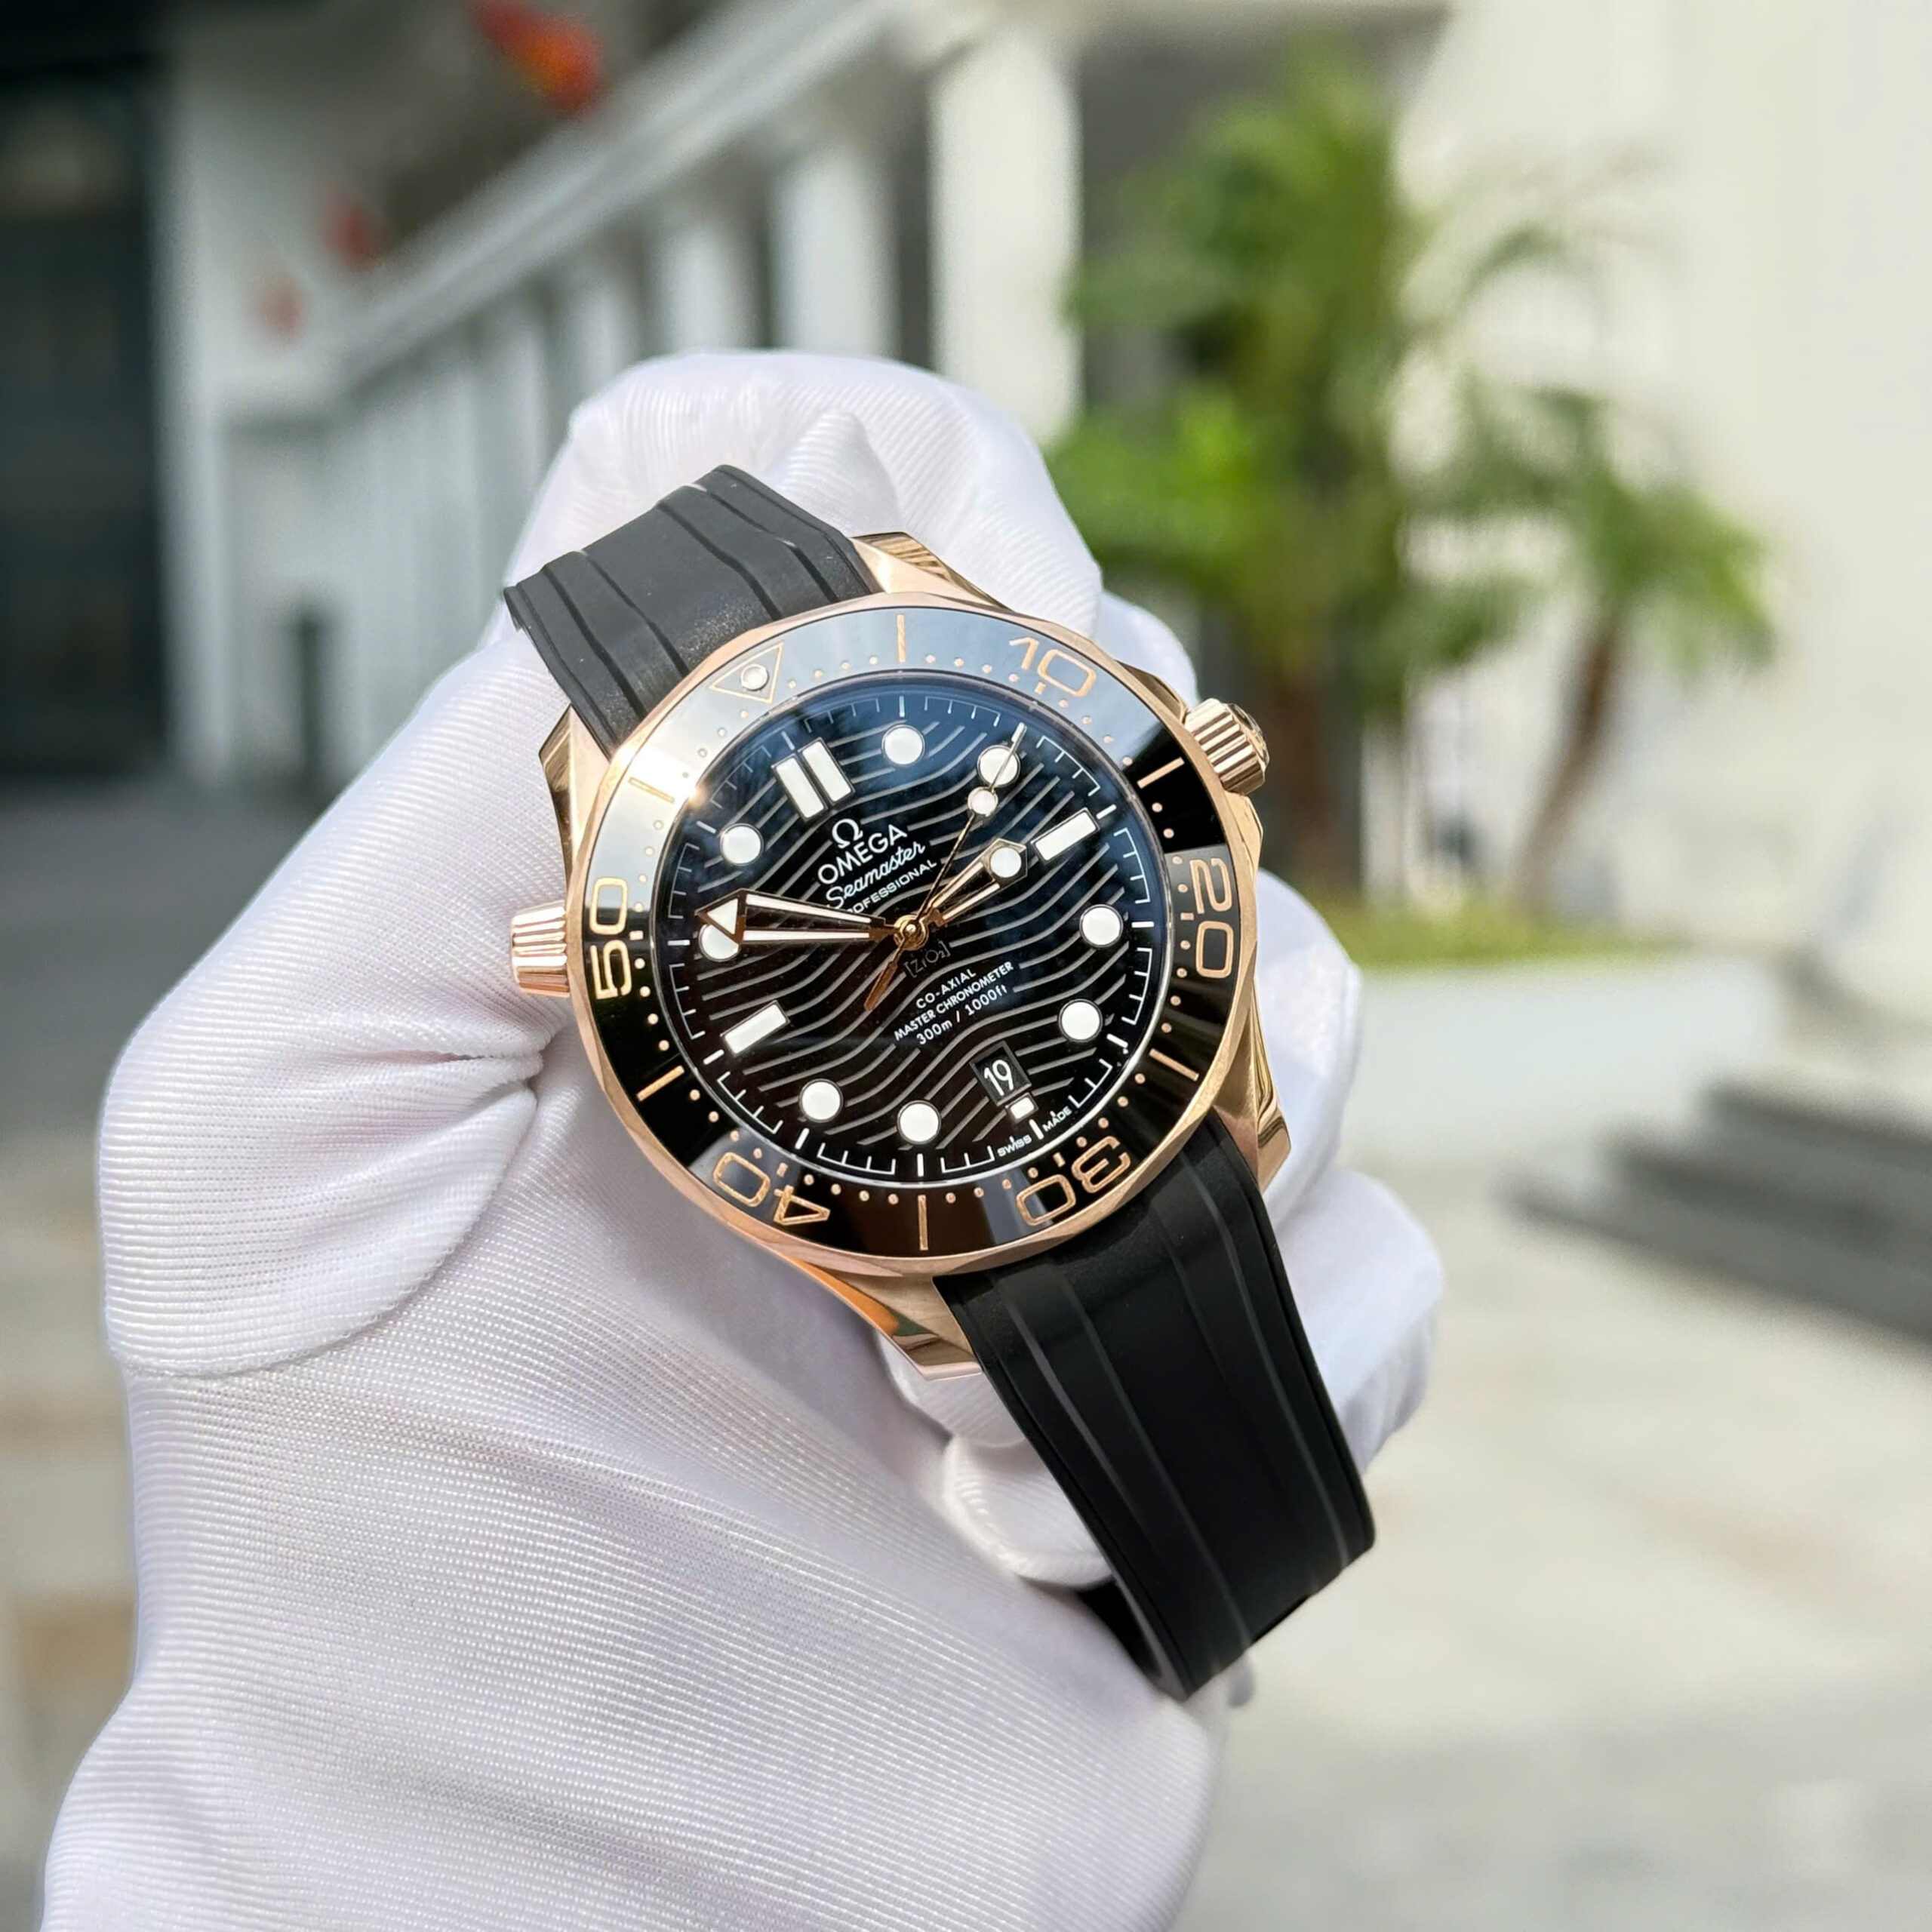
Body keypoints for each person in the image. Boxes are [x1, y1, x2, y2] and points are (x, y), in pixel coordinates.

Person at [42, 354, 1441, 1930]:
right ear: (574, 954)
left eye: (916, 917)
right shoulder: (355, 1113)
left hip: (1075, 1055)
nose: (906, 932)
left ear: (1203, 760)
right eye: (885, 931)